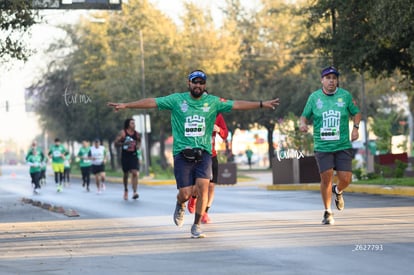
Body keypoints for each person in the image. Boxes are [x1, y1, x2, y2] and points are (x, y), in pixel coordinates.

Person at [108, 69, 280, 238]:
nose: (198, 85)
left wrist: (261, 104)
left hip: (204, 152)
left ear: (205, 85)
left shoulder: (213, 101)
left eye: (201, 82)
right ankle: (180, 204)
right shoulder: (177, 100)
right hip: (182, 153)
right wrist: (126, 105)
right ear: (188, 83)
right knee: (185, 193)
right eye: (195, 82)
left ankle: (197, 225)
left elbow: (236, 104)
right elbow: (152, 102)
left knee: (203, 188)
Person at [299, 66, 361, 225]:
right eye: (328, 78)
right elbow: (304, 117)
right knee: (326, 178)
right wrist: (303, 124)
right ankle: (327, 211)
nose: (331, 80)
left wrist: (355, 128)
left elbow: (356, 112)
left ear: (337, 80)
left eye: (334, 78)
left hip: (342, 145)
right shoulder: (314, 98)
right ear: (322, 80)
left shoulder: (345, 96)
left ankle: (338, 190)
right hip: (323, 146)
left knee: (346, 179)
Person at [187, 113, 229, 224]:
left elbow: (225, 135)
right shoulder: (195, 113)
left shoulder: (218, 116)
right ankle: (194, 197)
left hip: (212, 155)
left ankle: (205, 212)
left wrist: (219, 129)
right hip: (198, 154)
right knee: (199, 185)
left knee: (211, 186)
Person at [114, 118, 142, 200]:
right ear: (128, 125)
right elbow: (116, 143)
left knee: (135, 173)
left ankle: (135, 192)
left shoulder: (136, 134)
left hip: (133, 155)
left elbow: (139, 141)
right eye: (132, 123)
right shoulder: (123, 133)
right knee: (126, 174)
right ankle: (126, 190)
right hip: (125, 156)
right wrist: (123, 143)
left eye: (134, 123)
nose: (134, 125)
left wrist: (138, 146)